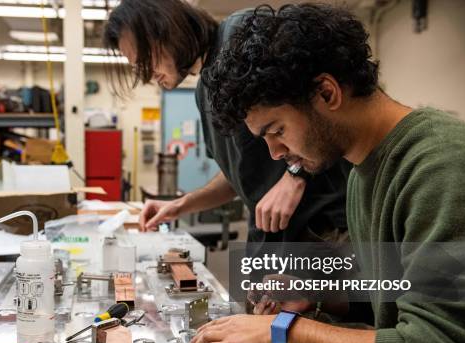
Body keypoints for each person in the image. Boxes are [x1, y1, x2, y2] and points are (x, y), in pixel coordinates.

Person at [190, 4, 465, 343]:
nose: (274, 153)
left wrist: (283, 329)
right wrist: (317, 292)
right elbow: (399, 289)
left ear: (327, 92)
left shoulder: (441, 168)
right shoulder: (361, 171)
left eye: (277, 130)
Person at [103, 0, 351, 263]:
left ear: (164, 28)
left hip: (323, 233)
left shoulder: (241, 34)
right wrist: (179, 206)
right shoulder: (204, 92)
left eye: (145, 59)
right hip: (275, 241)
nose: (147, 76)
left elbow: (318, 103)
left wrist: (295, 173)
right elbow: (238, 174)